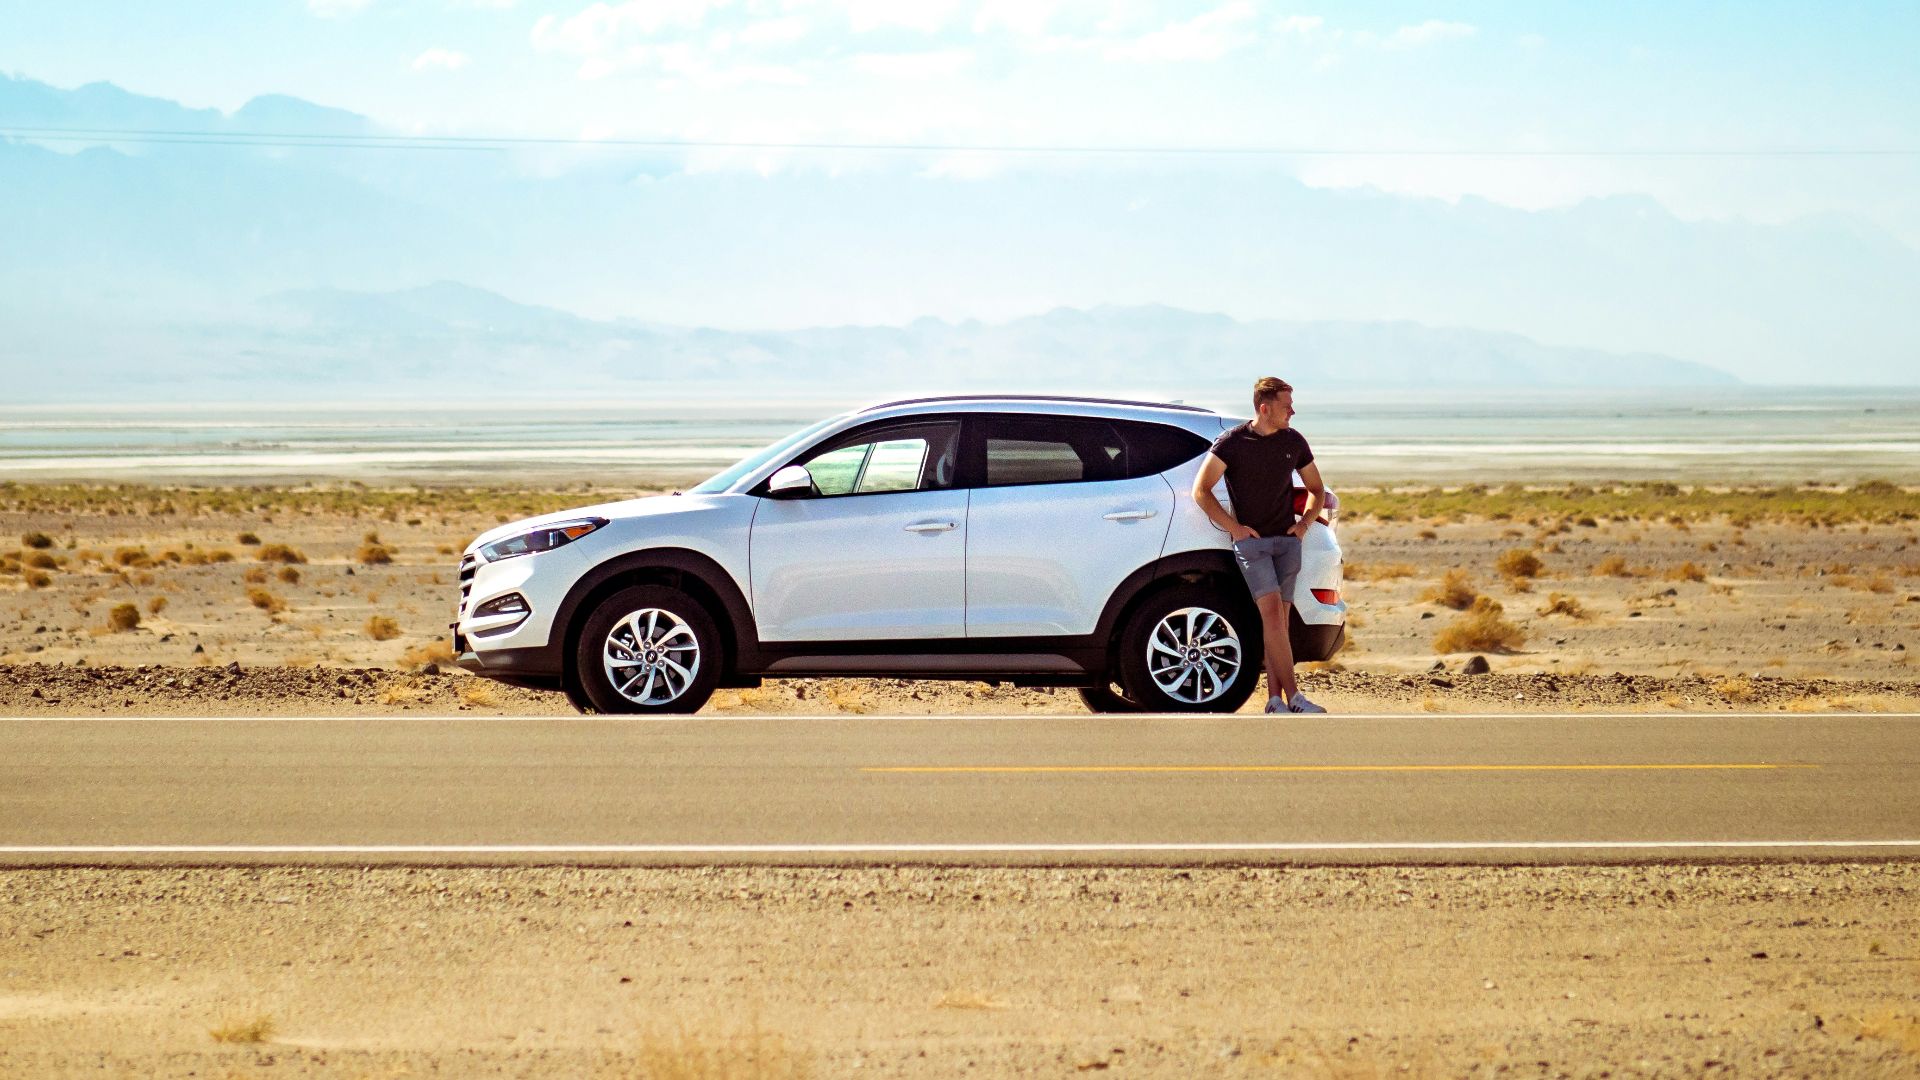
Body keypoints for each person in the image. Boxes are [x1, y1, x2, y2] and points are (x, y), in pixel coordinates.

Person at [1191, 376, 1328, 714]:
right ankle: (1295, 697)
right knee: (1272, 617)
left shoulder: (1293, 441)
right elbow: (1201, 490)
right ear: (1265, 408)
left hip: (1287, 543)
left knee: (1278, 621)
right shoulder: (1232, 443)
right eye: (1286, 406)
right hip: (1253, 547)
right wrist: (1234, 528)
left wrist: (1303, 525)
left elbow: (1317, 489)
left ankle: (1273, 700)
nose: (1292, 412)